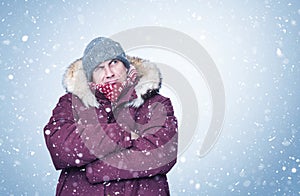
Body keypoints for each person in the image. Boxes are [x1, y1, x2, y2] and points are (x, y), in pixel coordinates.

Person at [44, 37, 178, 196]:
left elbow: (160, 155)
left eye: (114, 62)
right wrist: (124, 134)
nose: (109, 73)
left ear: (126, 65)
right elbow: (60, 145)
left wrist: (93, 168)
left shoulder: (156, 104)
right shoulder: (71, 104)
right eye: (99, 68)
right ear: (89, 76)